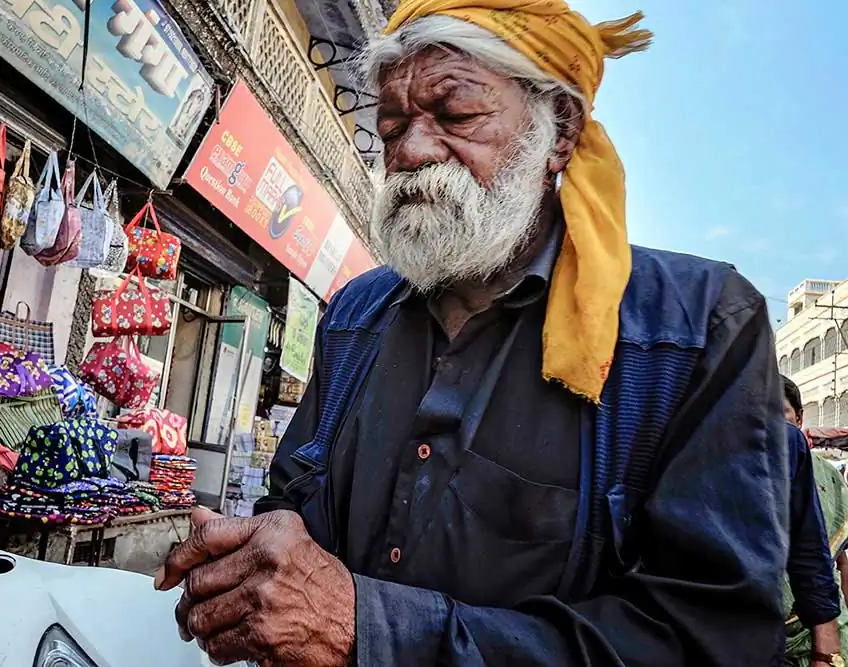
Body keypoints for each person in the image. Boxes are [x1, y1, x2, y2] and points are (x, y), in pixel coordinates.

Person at [157, 2, 789, 665]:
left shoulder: (696, 333)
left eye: (455, 116)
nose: (411, 151)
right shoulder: (355, 313)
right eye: (391, 126)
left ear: (561, 131)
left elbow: (713, 643)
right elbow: (290, 499)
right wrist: (256, 552)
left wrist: (366, 626)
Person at [782, 376, 845, 666]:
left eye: (779, 413)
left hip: (824, 630)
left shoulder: (828, 475)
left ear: (798, 418)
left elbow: (840, 559)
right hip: (762, 634)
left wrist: (829, 642)